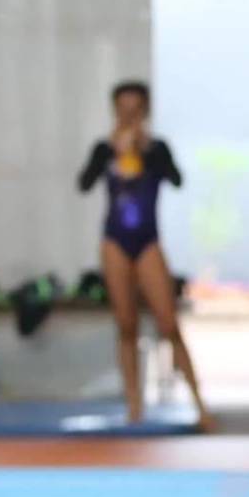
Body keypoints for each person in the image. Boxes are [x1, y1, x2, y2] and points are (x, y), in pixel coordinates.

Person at [78, 81, 213, 430]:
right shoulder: (105, 149)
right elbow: (84, 183)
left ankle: (200, 405)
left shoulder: (156, 149)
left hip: (148, 241)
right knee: (126, 324)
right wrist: (111, 151)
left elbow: (176, 179)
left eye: (135, 109)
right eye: (123, 109)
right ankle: (134, 405)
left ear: (145, 111)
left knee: (168, 324)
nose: (129, 116)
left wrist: (146, 149)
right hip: (115, 240)